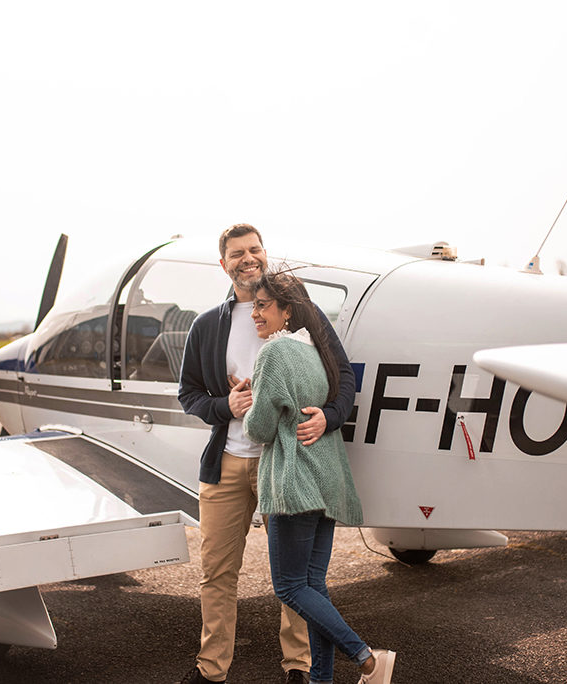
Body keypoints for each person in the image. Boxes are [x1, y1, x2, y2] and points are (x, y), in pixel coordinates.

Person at [178, 224, 356, 684]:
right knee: (217, 572)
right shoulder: (206, 325)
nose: (248, 258)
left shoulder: (303, 315)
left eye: (255, 249)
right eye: (237, 253)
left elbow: (344, 376)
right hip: (228, 463)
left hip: (286, 462)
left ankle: (298, 667)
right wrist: (225, 406)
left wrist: (329, 417)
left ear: (264, 254)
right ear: (224, 263)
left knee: (292, 579)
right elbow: (189, 394)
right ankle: (211, 669)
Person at [243, 270, 396, 684]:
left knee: (289, 587)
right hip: (325, 481)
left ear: (286, 311)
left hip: (295, 485)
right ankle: (321, 680)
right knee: (313, 586)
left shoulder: (274, 355)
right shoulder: (316, 353)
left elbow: (258, 429)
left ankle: (366, 658)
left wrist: (247, 407)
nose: (254, 313)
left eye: (261, 306)